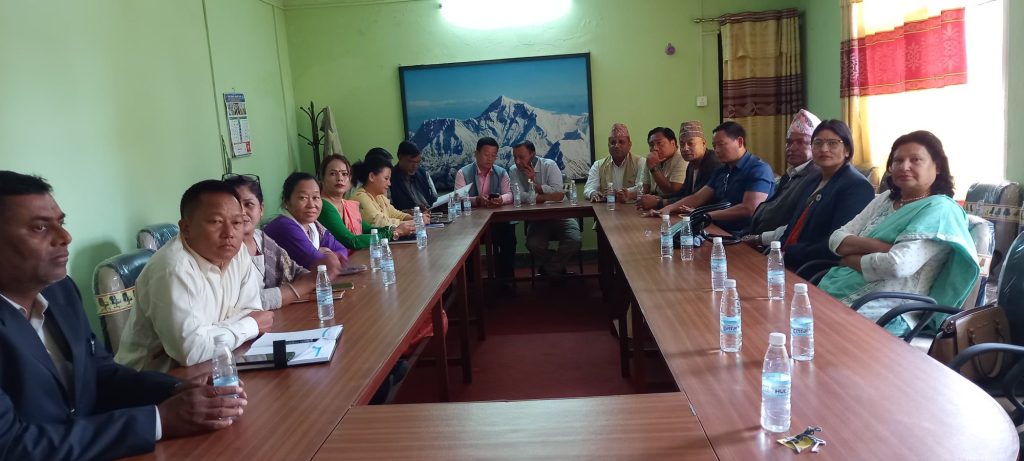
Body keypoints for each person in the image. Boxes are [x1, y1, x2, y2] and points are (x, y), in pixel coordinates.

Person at [0, 171, 248, 459]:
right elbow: (11, 446)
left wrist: (177, 390)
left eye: (61, 223)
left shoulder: (59, 291)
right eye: (40, 228)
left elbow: (100, 374)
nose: (65, 237)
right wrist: (159, 420)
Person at [818, 130, 978, 336]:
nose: (904, 167)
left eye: (915, 160)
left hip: (884, 310)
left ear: (937, 166)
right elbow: (836, 239)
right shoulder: (885, 199)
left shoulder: (941, 209)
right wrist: (880, 247)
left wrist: (848, 258)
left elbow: (896, 265)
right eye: (898, 160)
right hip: (836, 288)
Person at [117, 180, 274, 372]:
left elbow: (253, 310)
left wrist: (210, 334)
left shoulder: (238, 251)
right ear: (186, 228)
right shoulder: (173, 268)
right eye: (216, 222)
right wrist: (249, 326)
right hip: (153, 380)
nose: (229, 233)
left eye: (236, 223)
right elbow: (191, 350)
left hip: (215, 365)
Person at [749, 120, 875, 270]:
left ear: (847, 150)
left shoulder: (857, 187)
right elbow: (793, 226)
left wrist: (790, 253)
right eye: (818, 143)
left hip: (815, 268)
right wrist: (778, 250)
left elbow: (835, 243)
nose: (824, 149)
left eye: (832, 143)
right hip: (785, 260)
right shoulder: (812, 179)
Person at [653, 121, 775, 233]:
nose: (716, 150)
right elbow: (698, 197)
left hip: (743, 235)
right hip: (716, 229)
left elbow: (749, 208)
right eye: (714, 146)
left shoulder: (758, 169)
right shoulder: (722, 170)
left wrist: (707, 215)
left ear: (739, 142)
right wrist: (668, 208)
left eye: (721, 145)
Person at [223, 174, 323, 309]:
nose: (242, 212)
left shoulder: (260, 238)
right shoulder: (225, 250)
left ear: (261, 209)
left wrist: (310, 278)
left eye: (248, 204)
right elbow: (244, 303)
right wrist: (303, 285)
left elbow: (294, 271)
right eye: (234, 206)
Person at [745, 109, 823, 236]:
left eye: (800, 142)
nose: (792, 148)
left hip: (776, 243)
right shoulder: (791, 174)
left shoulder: (815, 176)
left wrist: (759, 239)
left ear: (815, 146)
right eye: (789, 142)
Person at [511, 140, 581, 278]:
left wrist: (534, 184)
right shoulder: (514, 170)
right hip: (538, 219)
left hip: (562, 215)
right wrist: (548, 196)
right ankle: (557, 269)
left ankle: (549, 270)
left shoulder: (549, 165)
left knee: (574, 241)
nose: (517, 161)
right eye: (515, 157)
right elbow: (518, 196)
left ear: (532, 154)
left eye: (521, 157)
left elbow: (558, 192)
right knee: (533, 245)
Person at [454, 137, 517, 281]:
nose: (490, 159)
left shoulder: (501, 172)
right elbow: (458, 199)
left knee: (509, 238)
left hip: (496, 222)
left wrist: (501, 199)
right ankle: (471, 283)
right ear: (476, 154)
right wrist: (476, 200)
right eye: (486, 154)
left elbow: (510, 194)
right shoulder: (463, 173)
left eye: (493, 155)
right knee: (466, 243)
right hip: (471, 223)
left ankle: (505, 280)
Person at [263, 172, 350, 270]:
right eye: (303, 198)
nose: (311, 205)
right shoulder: (284, 226)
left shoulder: (314, 226)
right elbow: (322, 263)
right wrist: (328, 254)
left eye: (316, 197)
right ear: (286, 202)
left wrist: (326, 253)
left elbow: (342, 251)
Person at [319, 154, 407, 249]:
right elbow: (352, 241)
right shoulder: (323, 206)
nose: (340, 178)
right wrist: (393, 233)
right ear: (322, 178)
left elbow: (367, 229)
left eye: (344, 174)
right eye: (333, 174)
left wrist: (392, 229)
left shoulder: (346, 204)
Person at [648, 120, 720, 210]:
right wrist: (658, 198)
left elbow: (697, 198)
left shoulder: (712, 162)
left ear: (703, 144)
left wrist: (660, 203)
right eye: (682, 144)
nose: (685, 148)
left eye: (690, 143)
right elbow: (683, 193)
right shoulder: (691, 164)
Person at [351, 154, 430, 232]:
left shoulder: (379, 196)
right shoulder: (360, 197)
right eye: (386, 178)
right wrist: (415, 222)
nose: (389, 183)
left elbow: (394, 213)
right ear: (372, 177)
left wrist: (416, 218)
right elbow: (380, 223)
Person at [583, 123, 645, 202]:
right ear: (608, 145)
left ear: (629, 145)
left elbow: (642, 188)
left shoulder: (641, 162)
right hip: (607, 208)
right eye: (613, 142)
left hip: (633, 208)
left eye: (621, 142)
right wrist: (593, 193)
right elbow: (588, 188)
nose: (616, 145)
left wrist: (618, 193)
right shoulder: (598, 165)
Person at [637, 127, 688, 210]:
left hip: (674, 208)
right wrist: (629, 194)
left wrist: (653, 167)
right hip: (655, 206)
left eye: (659, 143)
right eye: (651, 145)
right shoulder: (651, 158)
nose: (655, 148)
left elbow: (673, 192)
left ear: (673, 143)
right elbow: (645, 188)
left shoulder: (682, 158)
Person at [390, 141, 439, 213]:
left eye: (418, 162)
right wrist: (408, 212)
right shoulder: (390, 179)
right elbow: (389, 211)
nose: (415, 166)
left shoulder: (424, 174)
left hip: (431, 215)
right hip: (407, 218)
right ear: (400, 157)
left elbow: (435, 197)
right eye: (411, 162)